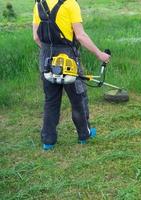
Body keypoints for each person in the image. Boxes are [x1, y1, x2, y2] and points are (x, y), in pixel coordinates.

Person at [32, 0, 110, 150]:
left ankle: (48, 141)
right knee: (78, 98)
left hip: (46, 60)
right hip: (68, 60)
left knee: (51, 101)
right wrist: (100, 54)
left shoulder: (38, 4)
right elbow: (80, 36)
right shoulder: (70, 4)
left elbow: (36, 37)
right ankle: (84, 135)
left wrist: (49, 52)